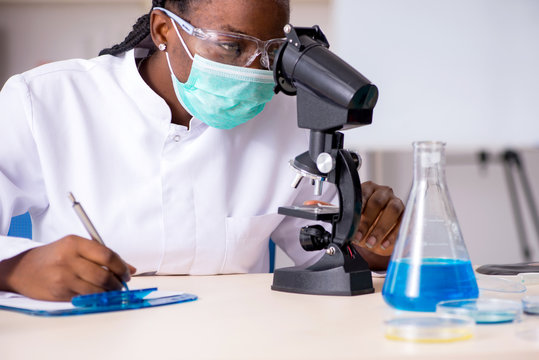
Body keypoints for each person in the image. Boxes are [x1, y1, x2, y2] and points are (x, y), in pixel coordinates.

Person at [0, 0, 404, 301]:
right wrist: (17, 268)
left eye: (270, 52)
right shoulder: (44, 100)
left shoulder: (285, 118)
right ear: (163, 30)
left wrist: (373, 235)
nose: (253, 71)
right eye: (231, 47)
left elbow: (322, 251)